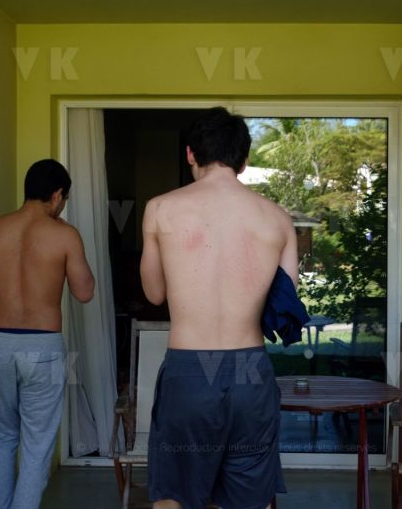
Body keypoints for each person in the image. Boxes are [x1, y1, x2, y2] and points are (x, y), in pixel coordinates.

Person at [140, 107, 298, 509]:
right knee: (247, 499)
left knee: (173, 496)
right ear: (244, 161)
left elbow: (154, 293)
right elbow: (284, 304)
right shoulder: (279, 220)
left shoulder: (160, 209)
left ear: (190, 154)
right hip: (250, 371)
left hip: (189, 370)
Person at [0, 159, 95, 509]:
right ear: (57, 195)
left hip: (0, 345)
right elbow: (84, 292)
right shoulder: (64, 235)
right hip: (43, 347)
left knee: (2, 441)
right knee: (36, 449)